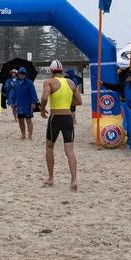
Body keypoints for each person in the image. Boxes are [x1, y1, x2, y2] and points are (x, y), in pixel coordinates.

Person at [39, 60, 81, 190]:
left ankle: (51, 178)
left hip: (55, 117)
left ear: (51, 71)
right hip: (68, 117)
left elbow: (45, 97)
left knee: (49, 147)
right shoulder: (71, 83)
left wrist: (42, 109)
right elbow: (79, 101)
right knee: (70, 150)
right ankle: (73, 180)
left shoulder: (49, 82)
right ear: (62, 71)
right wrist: (67, 103)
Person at [11, 68, 38, 140]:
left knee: (28, 120)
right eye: (20, 73)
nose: (21, 75)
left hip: (28, 105)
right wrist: (13, 102)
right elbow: (14, 94)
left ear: (25, 74)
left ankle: (30, 136)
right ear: (18, 74)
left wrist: (33, 103)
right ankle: (23, 135)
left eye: (23, 74)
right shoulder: (16, 83)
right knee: (20, 121)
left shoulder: (29, 83)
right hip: (19, 105)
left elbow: (33, 94)